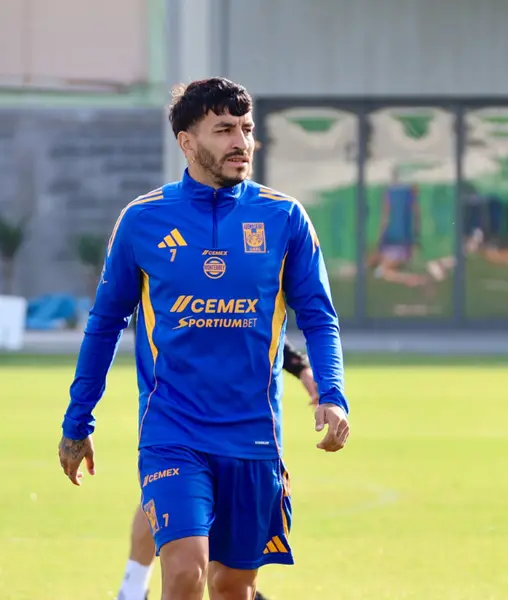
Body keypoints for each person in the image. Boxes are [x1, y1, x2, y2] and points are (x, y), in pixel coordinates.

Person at [58, 77, 350, 600]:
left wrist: (331, 393)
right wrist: (77, 421)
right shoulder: (143, 220)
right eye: (224, 130)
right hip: (174, 431)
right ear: (187, 142)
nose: (241, 142)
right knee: (185, 573)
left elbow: (319, 317)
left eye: (247, 129)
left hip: (254, 437)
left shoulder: (284, 218)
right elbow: (103, 327)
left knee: (232, 586)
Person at [115, 340, 319, 600]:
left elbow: (252, 315)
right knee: (174, 500)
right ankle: (132, 589)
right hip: (178, 411)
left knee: (199, 530)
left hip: (232, 416)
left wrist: (299, 365)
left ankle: (136, 588)